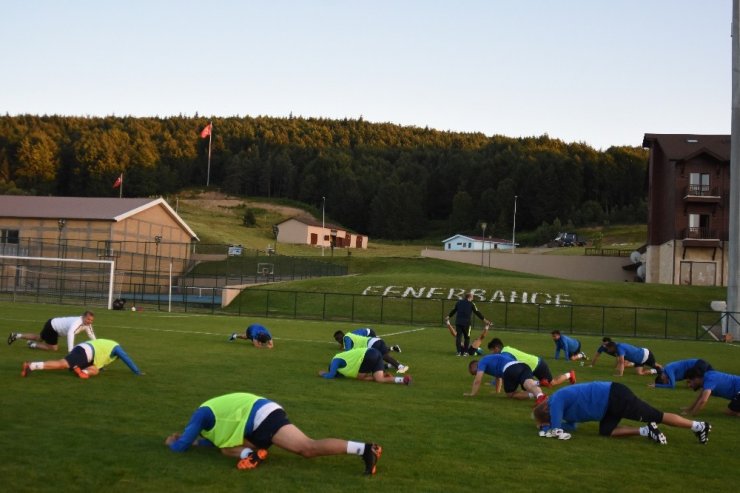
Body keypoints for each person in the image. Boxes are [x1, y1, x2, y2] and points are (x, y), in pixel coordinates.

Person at [165, 392, 383, 475]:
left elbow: (180, 446)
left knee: (307, 448)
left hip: (263, 416)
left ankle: (365, 449)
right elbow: (215, 443)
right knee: (226, 449)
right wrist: (195, 444)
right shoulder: (209, 420)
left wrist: (173, 443)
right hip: (259, 417)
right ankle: (252, 455)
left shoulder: (200, 415)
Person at [532, 381, 711, 444]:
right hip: (607, 407)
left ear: (546, 410)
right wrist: (549, 425)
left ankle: (699, 426)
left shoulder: (556, 400)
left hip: (614, 396)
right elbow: (570, 426)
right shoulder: (560, 410)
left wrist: (548, 428)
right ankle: (646, 430)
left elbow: (557, 428)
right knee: (606, 431)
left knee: (659, 416)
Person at [20, 338, 142, 378]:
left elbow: (101, 358)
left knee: (96, 370)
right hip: (85, 352)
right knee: (62, 364)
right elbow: (126, 358)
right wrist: (137, 372)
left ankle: (81, 371)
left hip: (86, 353)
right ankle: (31, 365)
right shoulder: (117, 349)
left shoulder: (110, 346)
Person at [488, 338, 576, 387]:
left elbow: (506, 370)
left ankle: (570, 375)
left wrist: (494, 383)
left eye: (492, 350)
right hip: (530, 366)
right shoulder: (506, 349)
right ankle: (539, 393)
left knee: (551, 383)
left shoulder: (505, 354)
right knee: (526, 386)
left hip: (536, 364)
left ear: (496, 348)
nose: (491, 353)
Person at [465, 353, 547, 404]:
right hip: (522, 365)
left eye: (474, 373)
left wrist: (472, 394)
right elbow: (498, 377)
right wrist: (497, 391)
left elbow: (478, 380)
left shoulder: (482, 362)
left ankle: (532, 394)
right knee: (528, 383)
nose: (475, 374)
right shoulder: (491, 361)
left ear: (474, 366)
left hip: (510, 369)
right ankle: (540, 393)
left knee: (510, 394)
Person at [8, 311, 96, 352]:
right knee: (54, 348)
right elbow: (70, 333)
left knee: (39, 338)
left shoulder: (87, 325)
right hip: (53, 327)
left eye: (91, 320)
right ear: (83, 317)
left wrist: (96, 345)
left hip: (52, 324)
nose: (89, 321)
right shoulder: (77, 322)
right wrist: (71, 350)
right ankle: (32, 344)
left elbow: (91, 334)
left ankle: (16, 335)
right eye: (88, 319)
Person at [319, 347, 412, 385]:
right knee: (379, 379)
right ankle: (403, 380)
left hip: (367, 355)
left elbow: (331, 375)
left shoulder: (336, 359)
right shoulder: (343, 370)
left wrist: (323, 374)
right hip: (375, 353)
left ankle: (384, 375)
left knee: (360, 378)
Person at [333, 329, 408, 373]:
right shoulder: (348, 337)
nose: (338, 341)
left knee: (382, 358)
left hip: (371, 344)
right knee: (380, 359)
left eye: (338, 339)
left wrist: (339, 362)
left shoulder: (346, 338)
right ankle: (393, 365)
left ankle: (400, 366)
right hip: (375, 341)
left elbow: (348, 353)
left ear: (342, 336)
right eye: (337, 340)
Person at [445, 292, 491, 356]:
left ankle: (458, 352)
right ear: (469, 297)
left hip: (458, 322)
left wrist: (448, 316)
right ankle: (466, 352)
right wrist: (485, 320)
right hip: (467, 323)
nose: (473, 298)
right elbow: (477, 312)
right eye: (472, 296)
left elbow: (454, 310)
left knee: (458, 337)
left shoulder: (458, 302)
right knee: (467, 337)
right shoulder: (471, 304)